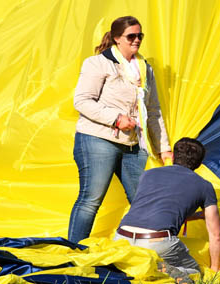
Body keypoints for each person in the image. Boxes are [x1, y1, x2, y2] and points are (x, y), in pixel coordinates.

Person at [69, 16, 172, 243]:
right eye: (131, 36)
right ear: (117, 39)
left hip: (134, 144)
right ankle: (75, 254)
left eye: (140, 36)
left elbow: (153, 110)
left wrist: (164, 147)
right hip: (98, 139)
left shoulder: (146, 69)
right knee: (91, 199)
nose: (137, 40)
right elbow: (82, 101)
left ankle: (147, 251)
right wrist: (116, 119)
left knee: (142, 200)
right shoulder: (97, 63)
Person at [114, 138, 220, 283]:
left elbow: (156, 210)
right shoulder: (204, 186)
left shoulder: (148, 174)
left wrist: (197, 216)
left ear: (172, 156)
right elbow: (216, 236)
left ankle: (150, 268)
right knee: (195, 273)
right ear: (199, 164)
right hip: (156, 241)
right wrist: (215, 271)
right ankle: (162, 269)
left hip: (122, 238)